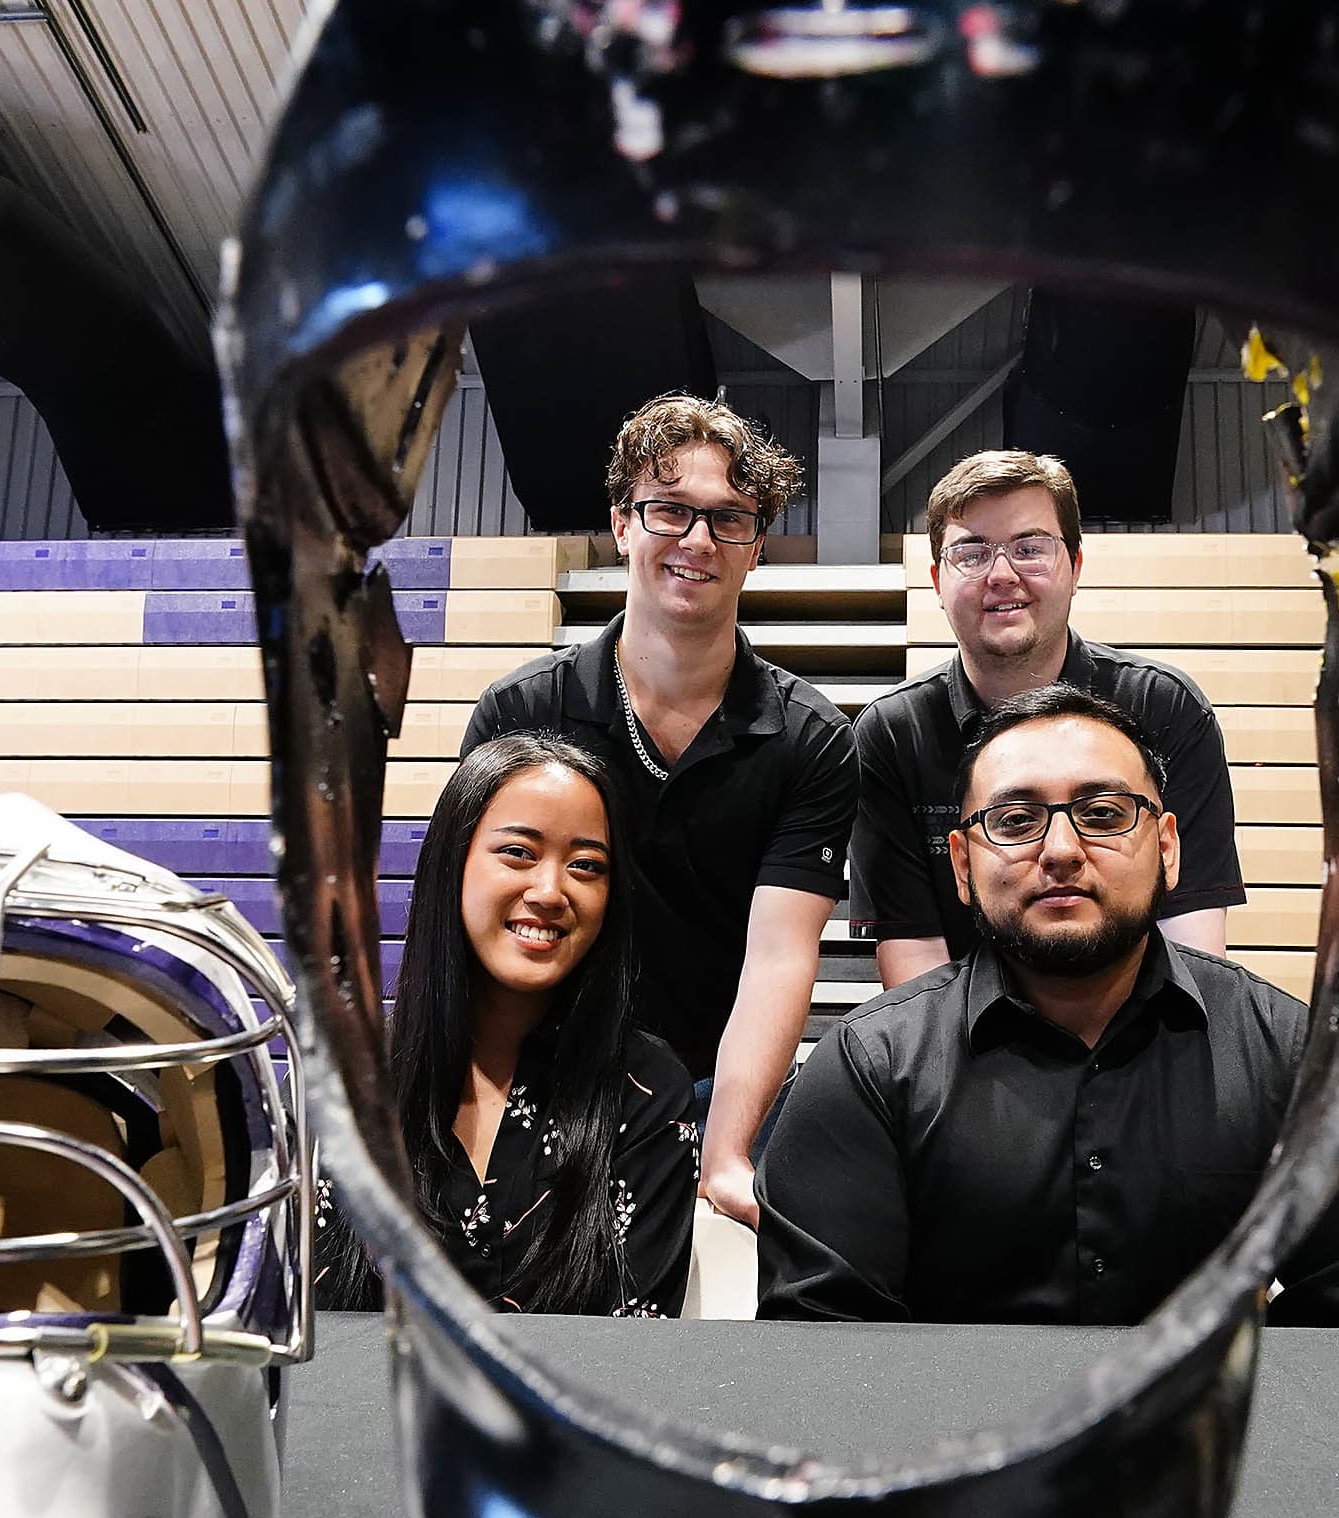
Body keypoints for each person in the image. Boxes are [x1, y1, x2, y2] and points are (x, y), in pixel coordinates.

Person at [756, 685, 1339, 1327]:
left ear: (1168, 848)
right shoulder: (868, 1071)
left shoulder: (1287, 1057)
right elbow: (823, 1364)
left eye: (1103, 814)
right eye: (1016, 819)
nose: (1060, 850)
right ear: (962, 865)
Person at [463, 394, 856, 1229]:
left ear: (757, 548)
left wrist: (726, 1150)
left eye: (729, 519)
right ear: (621, 524)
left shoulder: (813, 739)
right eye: (670, 510)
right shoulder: (520, 712)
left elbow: (780, 957)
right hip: (545, 1076)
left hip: (723, 1087)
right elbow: (472, 924)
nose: (697, 540)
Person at [319, 732, 699, 1315]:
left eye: (586, 866)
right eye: (519, 852)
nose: (550, 891)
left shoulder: (646, 1091)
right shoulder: (347, 1075)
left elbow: (638, 1349)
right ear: (454, 862)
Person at [849, 450, 1248, 990]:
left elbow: (1190, 946)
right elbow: (915, 964)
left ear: (1076, 567)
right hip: (967, 1056)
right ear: (937, 580)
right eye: (971, 553)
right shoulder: (893, 735)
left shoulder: (1166, 709)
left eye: (1029, 548)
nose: (1002, 575)